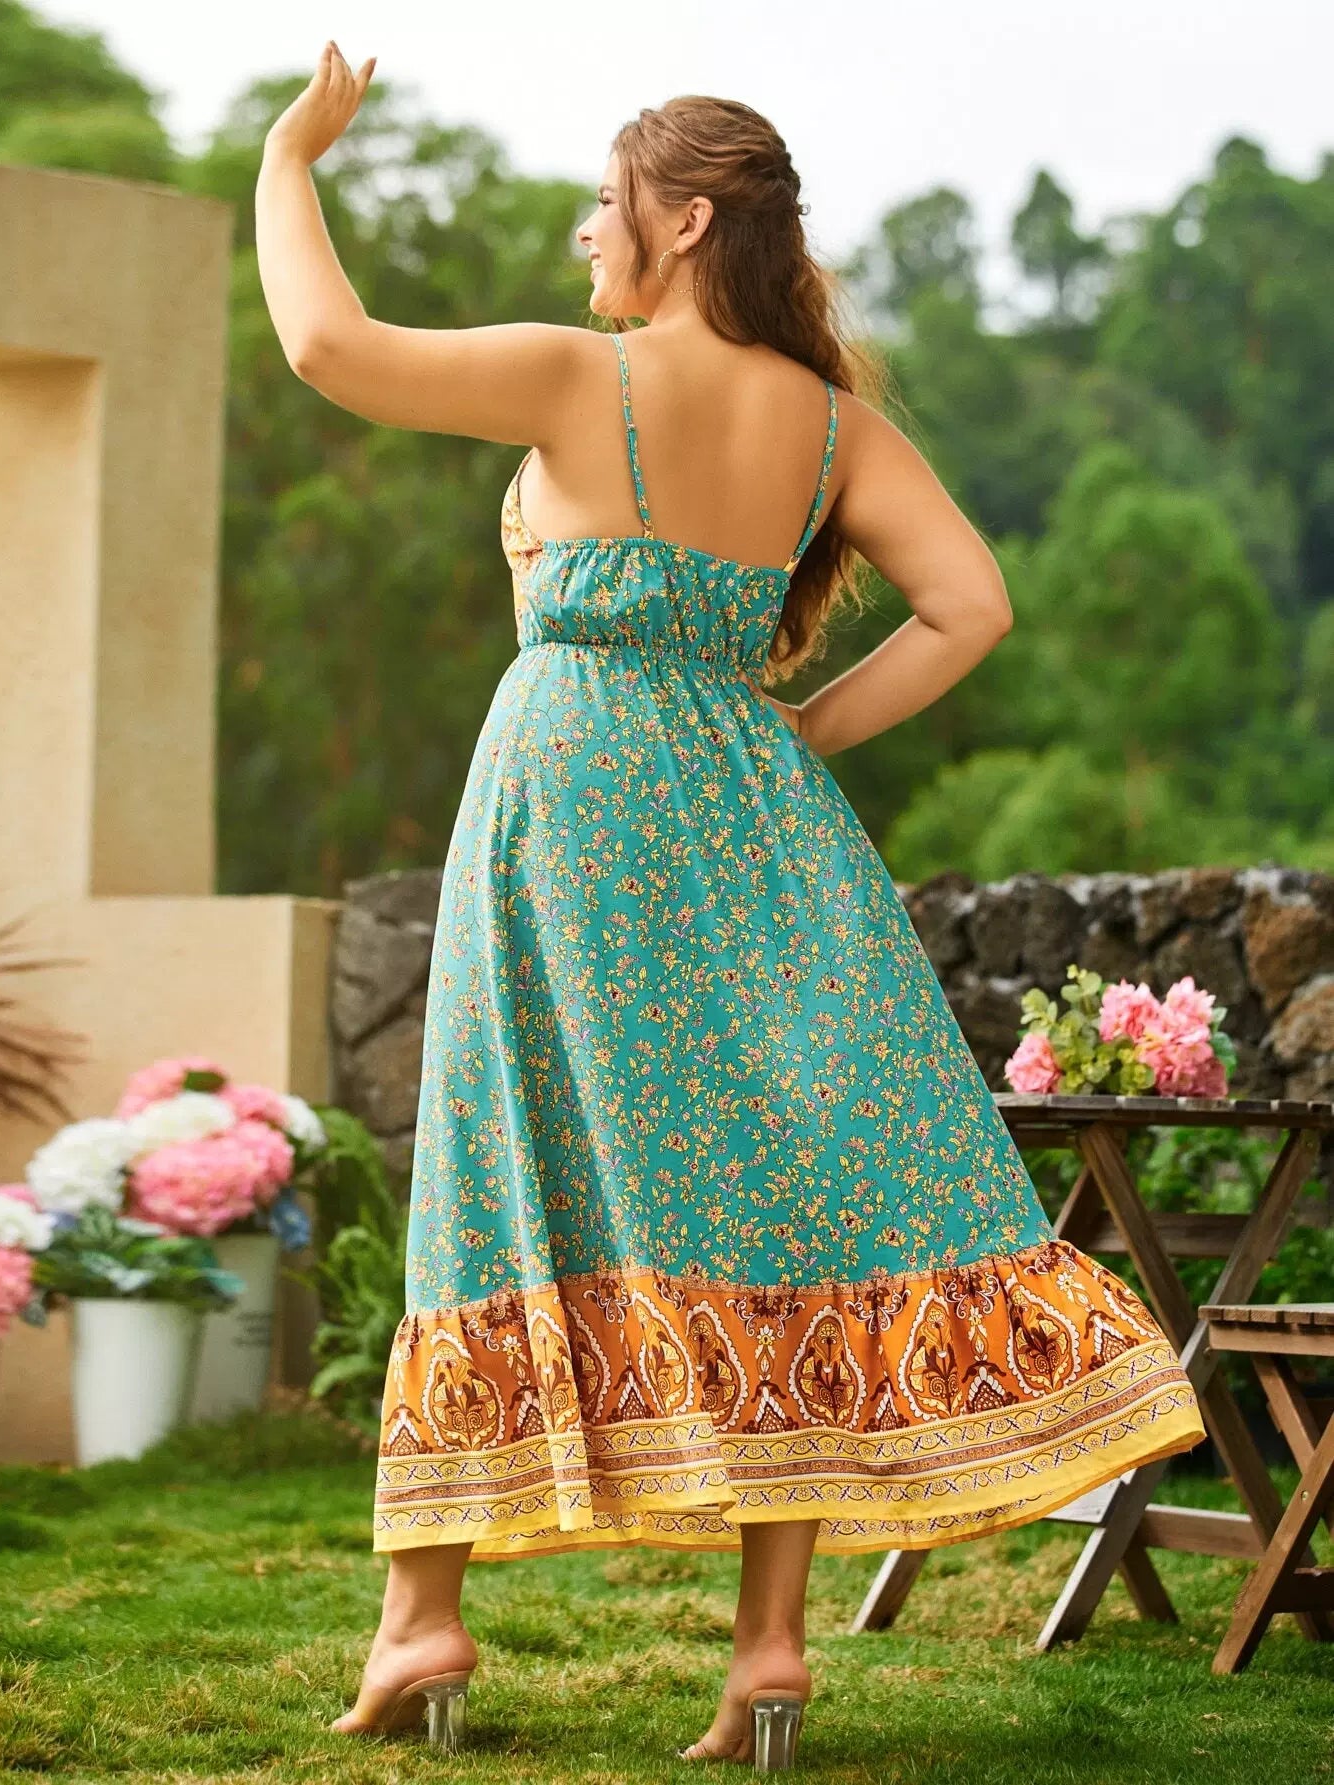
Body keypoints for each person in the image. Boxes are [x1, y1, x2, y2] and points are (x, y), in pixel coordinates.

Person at [256, 47, 1208, 1770]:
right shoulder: (830, 423)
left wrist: (287, 157)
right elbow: (973, 604)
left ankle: (425, 1616)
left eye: (602, 203)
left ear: (684, 220)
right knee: (782, 1201)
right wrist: (795, 732)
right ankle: (769, 1648)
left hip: (566, 814)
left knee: (500, 1166)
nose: (582, 232)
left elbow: (327, 348)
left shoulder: (582, 376)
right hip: (757, 821)